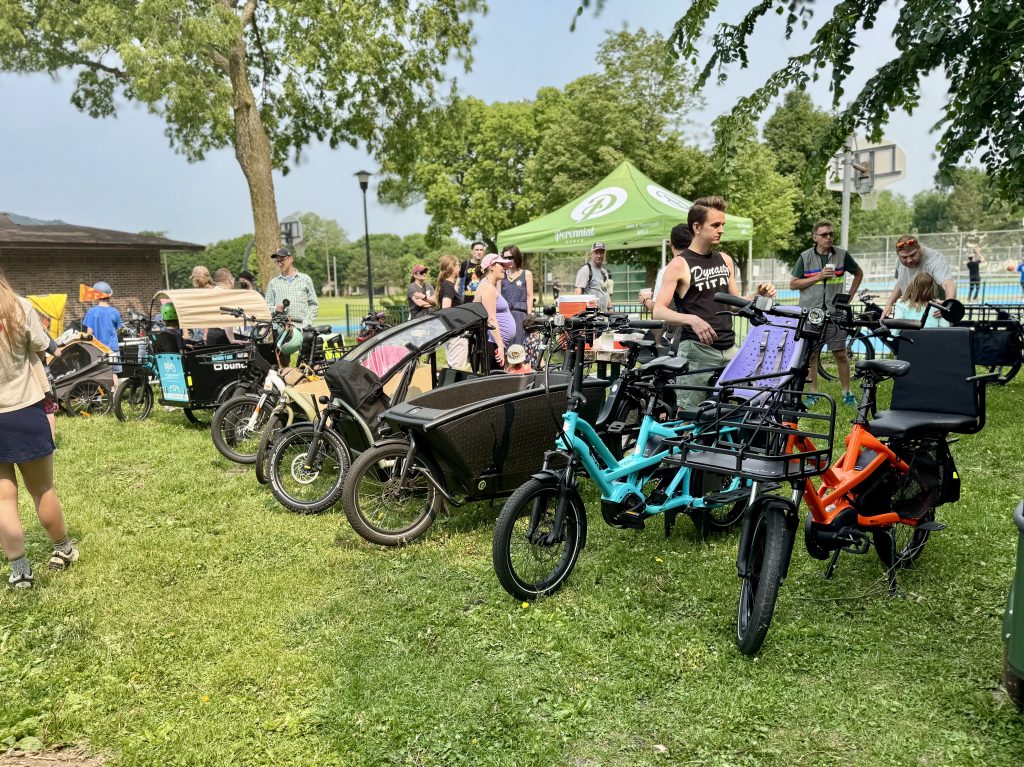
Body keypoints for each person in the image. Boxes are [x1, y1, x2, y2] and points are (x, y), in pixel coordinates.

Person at [653, 198, 776, 409]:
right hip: (697, 352)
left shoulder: (725, 260)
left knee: (739, 413)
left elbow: (735, 305)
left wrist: (758, 294)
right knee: (690, 419)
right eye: (715, 225)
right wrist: (691, 320)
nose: (721, 230)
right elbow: (658, 310)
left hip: (729, 350)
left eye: (723, 225)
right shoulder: (679, 264)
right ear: (697, 227)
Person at [0, 269, 78, 589]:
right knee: (42, 489)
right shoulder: (18, 307)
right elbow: (44, 345)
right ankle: (62, 550)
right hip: (25, 410)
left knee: (3, 500)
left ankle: (20, 571)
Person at [790, 220, 864, 406]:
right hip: (811, 313)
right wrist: (818, 276)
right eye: (824, 235)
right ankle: (813, 393)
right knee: (811, 355)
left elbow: (859, 273)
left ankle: (847, 393)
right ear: (815, 237)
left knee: (840, 353)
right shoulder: (805, 257)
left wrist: (849, 296)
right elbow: (793, 284)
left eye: (831, 234)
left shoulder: (841, 255)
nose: (829, 237)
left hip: (834, 313)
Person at [883, 236, 956, 319]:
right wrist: (889, 304)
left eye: (912, 255)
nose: (909, 260)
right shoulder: (900, 260)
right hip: (910, 313)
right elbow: (901, 283)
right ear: (898, 255)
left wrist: (947, 305)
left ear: (919, 248)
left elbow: (948, 283)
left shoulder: (935, 260)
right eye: (904, 257)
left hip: (933, 315)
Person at [474, 253, 516, 369]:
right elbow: (491, 319)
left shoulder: (489, 286)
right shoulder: (487, 288)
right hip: (492, 344)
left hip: (494, 344)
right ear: (491, 266)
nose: (505, 268)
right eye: (501, 264)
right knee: (493, 384)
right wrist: (500, 346)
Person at [265, 248, 319, 327]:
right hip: (281, 329)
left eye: (282, 260)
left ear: (290, 259)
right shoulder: (273, 283)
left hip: (302, 328)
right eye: (278, 261)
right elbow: (267, 307)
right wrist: (275, 309)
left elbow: (313, 304)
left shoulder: (305, 279)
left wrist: (308, 323)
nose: (280, 264)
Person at [82, 281, 122, 386]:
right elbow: (118, 329)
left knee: (99, 374)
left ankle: (102, 397)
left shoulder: (91, 312)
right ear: (109, 296)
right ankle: (115, 398)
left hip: (98, 349)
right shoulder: (115, 312)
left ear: (96, 296)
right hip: (112, 349)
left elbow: (89, 333)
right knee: (114, 373)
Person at [436, 255, 469, 369]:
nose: (460, 266)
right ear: (453, 268)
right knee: (457, 368)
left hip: (454, 332)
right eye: (458, 264)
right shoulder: (448, 286)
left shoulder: (446, 285)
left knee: (454, 366)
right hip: (456, 332)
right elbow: (446, 310)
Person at [500, 244, 533, 345]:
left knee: (520, 348)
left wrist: (529, 316)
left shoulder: (526, 274)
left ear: (517, 257)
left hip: (521, 316)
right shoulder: (501, 274)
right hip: (505, 315)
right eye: (505, 257)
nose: (507, 260)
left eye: (510, 257)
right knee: (506, 348)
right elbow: (498, 296)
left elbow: (530, 296)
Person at [575, 241, 611, 312]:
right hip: (590, 315)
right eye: (596, 253)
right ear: (591, 254)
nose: (599, 255)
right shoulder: (586, 269)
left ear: (604, 254)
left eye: (601, 253)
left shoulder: (604, 272)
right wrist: (580, 313)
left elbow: (606, 292)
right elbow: (578, 292)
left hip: (602, 314)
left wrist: (610, 308)